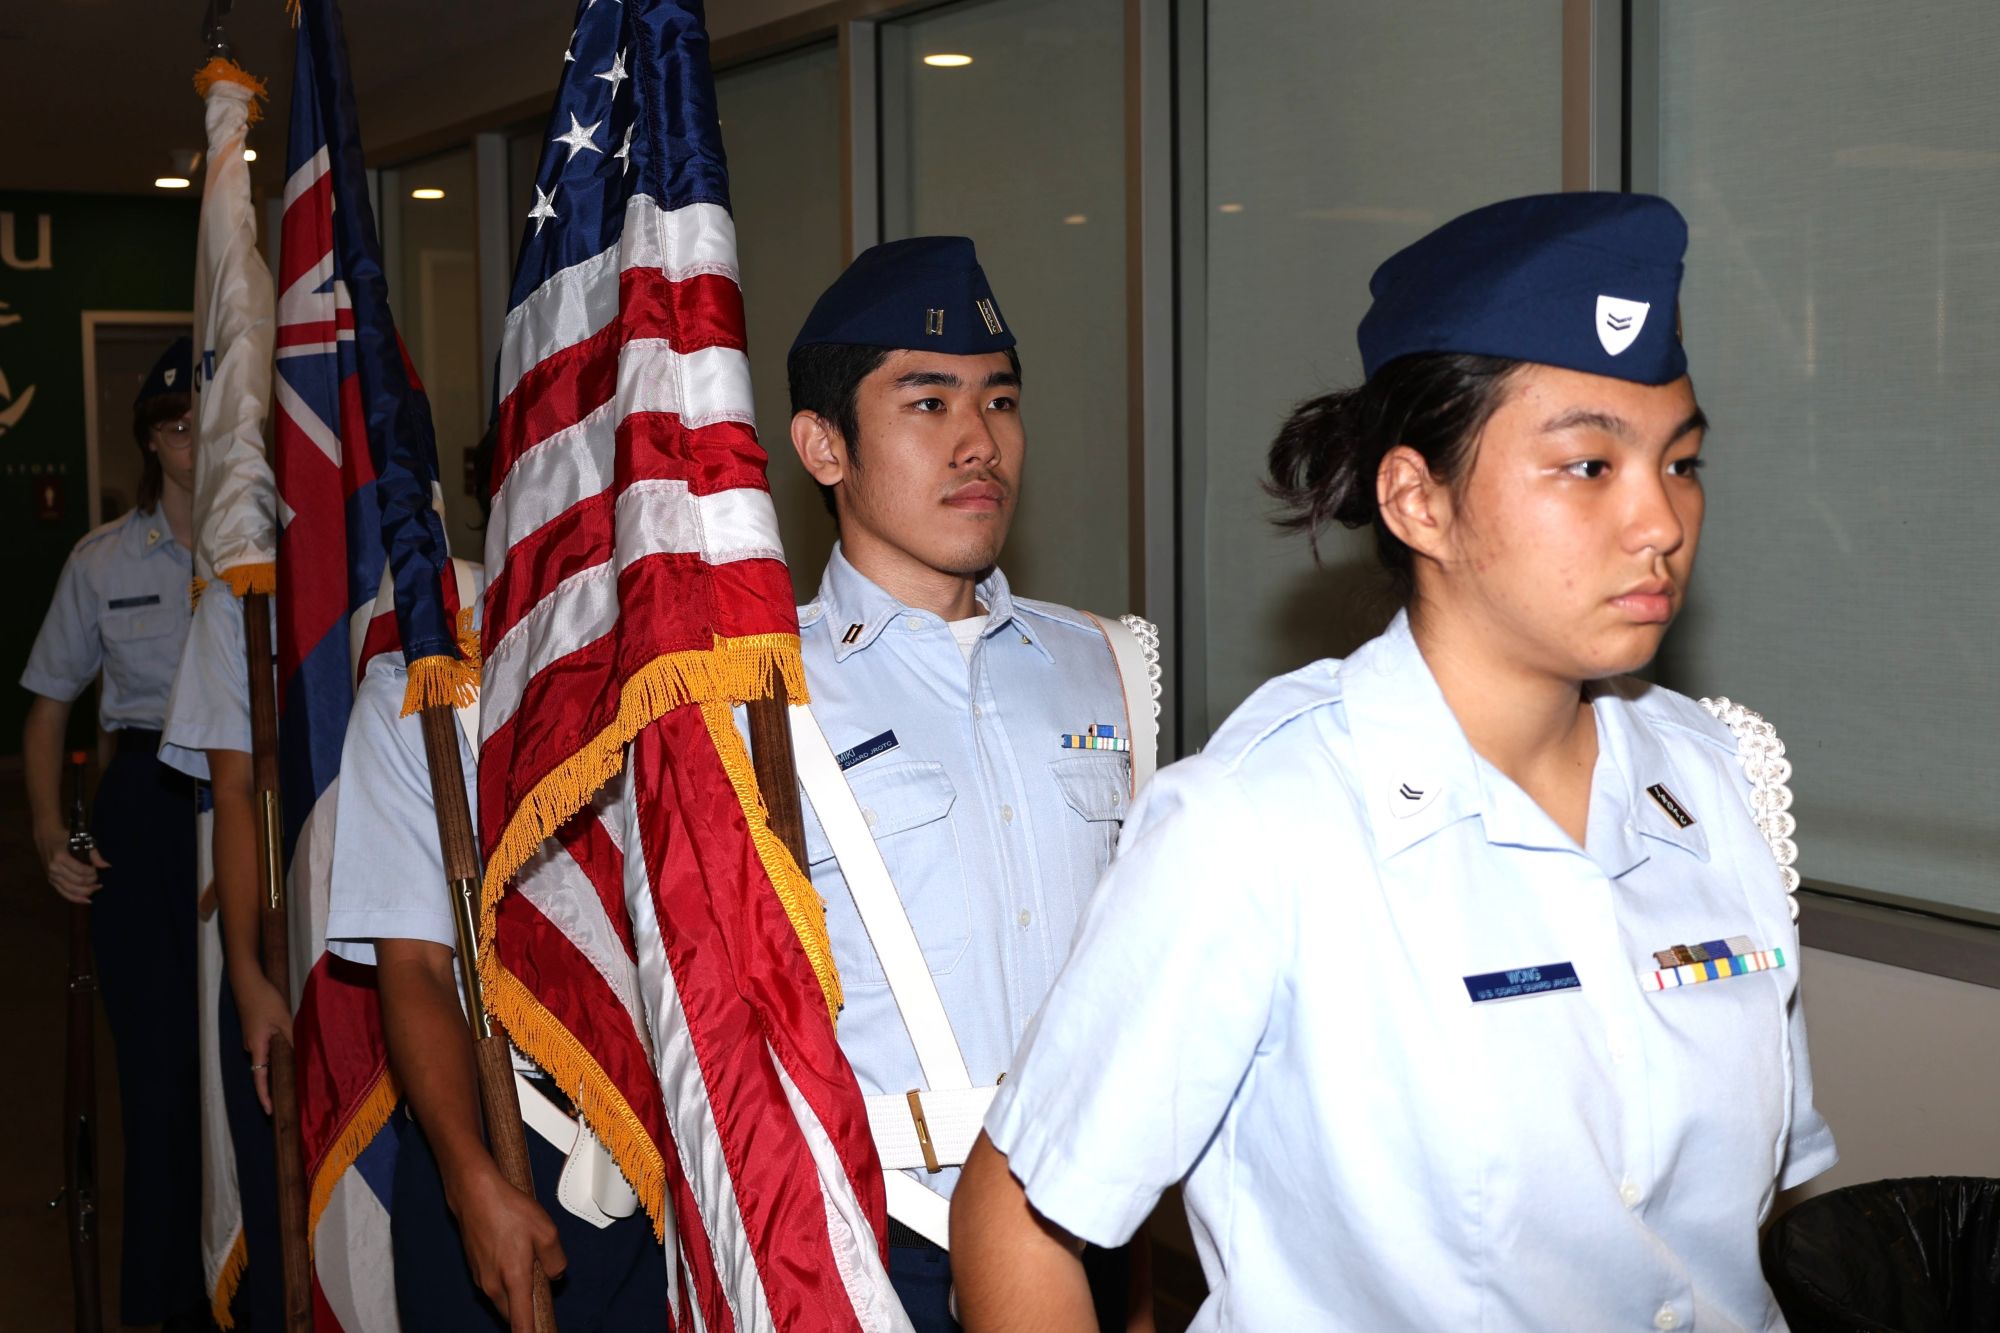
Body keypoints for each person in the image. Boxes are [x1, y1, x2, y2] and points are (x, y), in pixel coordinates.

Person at [950, 193, 1838, 1332]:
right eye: (1586, 467)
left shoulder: (1712, 778)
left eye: (1681, 461)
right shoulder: (1261, 824)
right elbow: (1017, 1214)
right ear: (1417, 498)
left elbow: (1726, 1222)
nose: (1658, 519)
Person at [783, 236, 1153, 1332]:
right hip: (868, 1237)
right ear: (822, 446)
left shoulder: (1104, 661)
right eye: (926, 402)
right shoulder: (762, 686)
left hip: (1090, 1212)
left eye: (999, 401)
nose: (977, 441)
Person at [321, 432, 667, 1333]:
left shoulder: (697, 673)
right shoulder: (434, 698)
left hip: (680, 1162)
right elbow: (416, 969)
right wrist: (470, 1174)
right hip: (508, 1139)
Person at [20, 336, 207, 1331]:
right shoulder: (102, 562)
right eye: (174, 426)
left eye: (205, 423)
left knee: (253, 1060)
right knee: (157, 1076)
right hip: (148, 805)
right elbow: (50, 706)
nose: (191, 441)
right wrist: (51, 830)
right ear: (149, 438)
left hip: (246, 802)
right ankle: (164, 1303)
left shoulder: (265, 547)